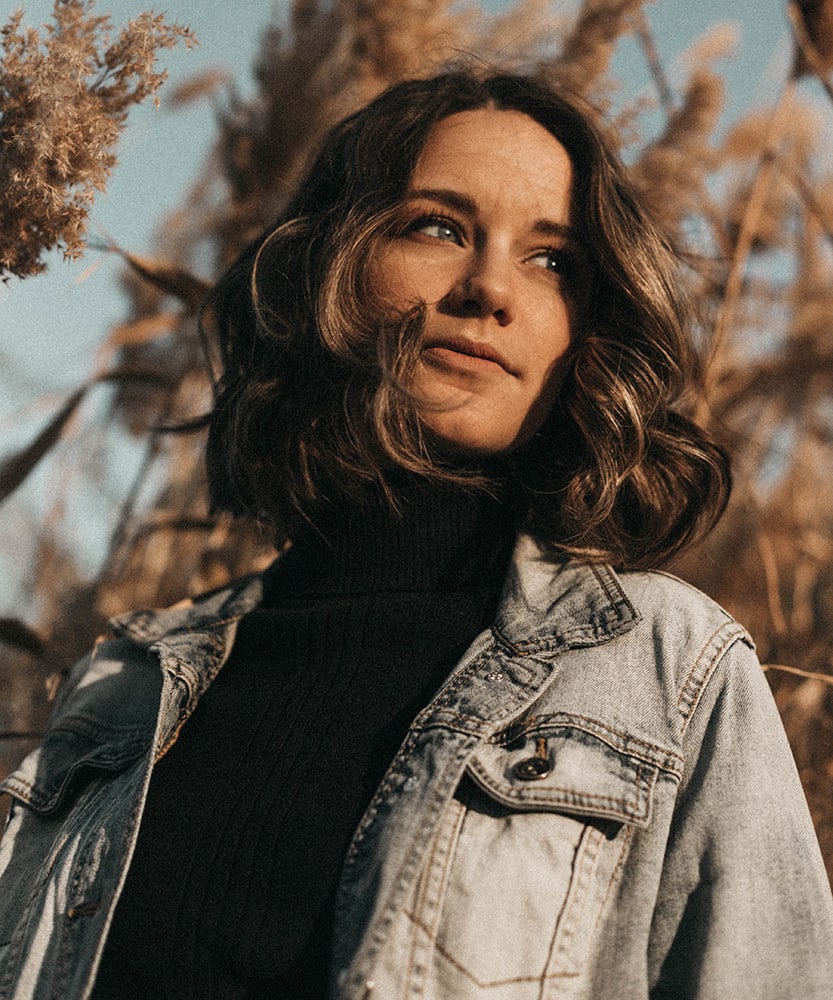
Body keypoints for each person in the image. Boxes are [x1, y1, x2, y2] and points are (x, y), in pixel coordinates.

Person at [0, 70, 831, 1000]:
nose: (488, 289)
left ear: (584, 330)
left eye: (551, 260)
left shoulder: (669, 670)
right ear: (326, 262)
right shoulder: (126, 685)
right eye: (436, 226)